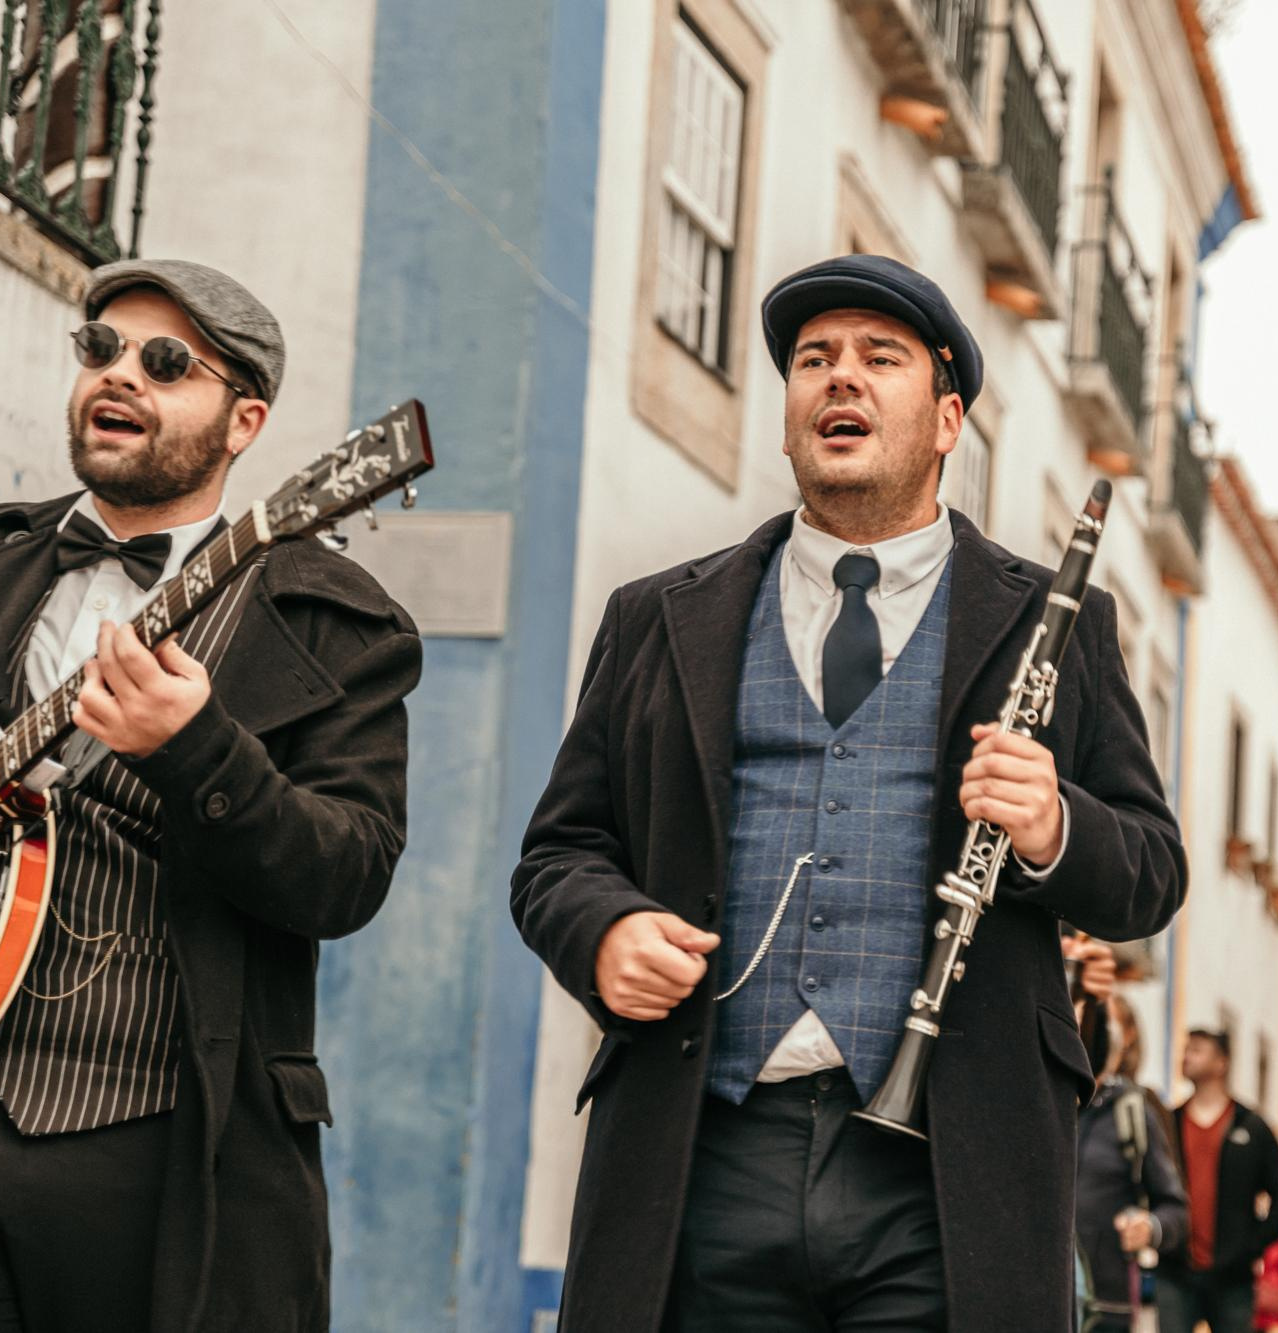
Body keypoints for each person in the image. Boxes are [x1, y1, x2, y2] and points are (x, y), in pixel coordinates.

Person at [510, 253, 1187, 1332]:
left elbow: (1149, 873)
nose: (840, 378)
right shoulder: (655, 616)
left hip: (948, 1174)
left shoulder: (1058, 622)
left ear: (947, 417)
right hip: (703, 1151)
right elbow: (557, 855)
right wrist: (603, 929)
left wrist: (1056, 823)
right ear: (786, 421)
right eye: (813, 360)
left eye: (881, 358)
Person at [0, 260, 422, 1331]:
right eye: (101, 349)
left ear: (243, 421)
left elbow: (346, 873)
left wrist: (197, 751)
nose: (121, 375)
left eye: (166, 363)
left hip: (156, 1138)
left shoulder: (332, 620)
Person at [1159, 1028, 1278, 1333]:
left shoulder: (1252, 1127)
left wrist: (1250, 1246)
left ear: (1222, 1062)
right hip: (1175, 1273)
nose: (1187, 1056)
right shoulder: (1170, 1123)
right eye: (1185, 1050)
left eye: (1197, 1050)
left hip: (1233, 1279)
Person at [1076, 995, 1189, 1332]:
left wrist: (1149, 1227)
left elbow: (1177, 1211)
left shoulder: (1135, 1111)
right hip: (1042, 1296)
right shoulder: (1044, 1104)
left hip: (1107, 1307)